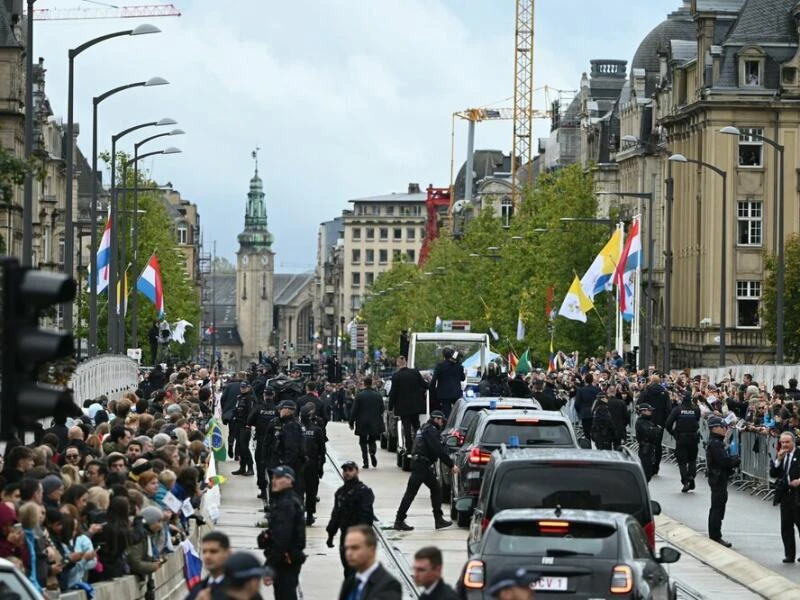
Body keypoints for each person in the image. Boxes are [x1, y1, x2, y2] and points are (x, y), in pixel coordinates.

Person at [394, 411, 457, 531]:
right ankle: (399, 520)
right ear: (436, 419)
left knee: (435, 489)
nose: (442, 423)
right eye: (441, 420)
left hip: (420, 463)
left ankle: (438, 519)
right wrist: (451, 464)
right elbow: (438, 449)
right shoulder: (431, 430)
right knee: (412, 493)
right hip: (421, 464)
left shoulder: (424, 428)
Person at [326, 461, 375, 578]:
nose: (347, 473)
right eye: (345, 470)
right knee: (348, 570)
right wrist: (331, 534)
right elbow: (336, 515)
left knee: (356, 572)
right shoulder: (340, 493)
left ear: (356, 471)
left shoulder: (364, 492)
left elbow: (366, 516)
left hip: (359, 536)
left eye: (350, 470)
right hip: (345, 536)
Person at [262, 466, 305, 600]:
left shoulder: (286, 504)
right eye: (274, 477)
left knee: (285, 594)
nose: (274, 481)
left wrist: (269, 565)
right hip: (284, 560)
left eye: (278, 478)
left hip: (285, 560)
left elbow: (282, 538)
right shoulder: (283, 500)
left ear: (289, 480)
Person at [337, 525, 401, 600]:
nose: (349, 553)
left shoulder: (389, 585)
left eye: (355, 548)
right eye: (347, 548)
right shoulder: (350, 582)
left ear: (372, 550)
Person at [706, 416, 740, 547]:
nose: (725, 429)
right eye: (723, 427)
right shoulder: (715, 443)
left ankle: (715, 533)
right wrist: (734, 461)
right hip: (718, 477)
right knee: (717, 506)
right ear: (715, 428)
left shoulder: (717, 442)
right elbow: (723, 462)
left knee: (719, 505)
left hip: (719, 477)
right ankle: (715, 535)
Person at [388, 356, 428, 460]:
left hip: (403, 407)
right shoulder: (415, 373)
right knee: (417, 426)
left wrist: (390, 406)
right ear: (406, 362)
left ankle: (409, 449)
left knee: (406, 428)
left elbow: (393, 393)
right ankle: (419, 446)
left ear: (398, 363)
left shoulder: (396, 376)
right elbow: (424, 385)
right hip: (416, 406)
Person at [267, 401, 306, 503]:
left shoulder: (291, 426)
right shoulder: (294, 424)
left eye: (282, 409)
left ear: (288, 411)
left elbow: (291, 448)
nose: (280, 411)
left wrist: (285, 466)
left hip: (289, 465)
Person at [770, 432, 800, 562]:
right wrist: (778, 460)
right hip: (785, 494)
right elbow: (773, 473)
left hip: (798, 494)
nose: (785, 445)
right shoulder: (782, 455)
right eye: (782, 442)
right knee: (786, 525)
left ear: (793, 442)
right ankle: (789, 554)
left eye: (787, 442)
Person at [665, 393, 701, 493]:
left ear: (682, 399)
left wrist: (673, 433)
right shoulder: (696, 409)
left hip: (681, 438)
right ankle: (691, 476)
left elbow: (668, 423)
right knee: (692, 459)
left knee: (682, 462)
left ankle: (685, 482)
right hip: (693, 437)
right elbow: (697, 419)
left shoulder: (677, 409)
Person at [637, 375, 671, 475]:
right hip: (660, 422)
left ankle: (647, 464)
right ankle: (656, 466)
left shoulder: (646, 392)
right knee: (658, 445)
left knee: (645, 442)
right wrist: (665, 422)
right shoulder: (665, 393)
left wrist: (640, 417)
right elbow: (668, 408)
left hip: (646, 422)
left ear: (650, 381)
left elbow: (639, 404)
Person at [249, 387, 278, 501]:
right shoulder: (277, 409)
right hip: (274, 442)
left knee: (260, 465)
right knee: (273, 466)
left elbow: (250, 420)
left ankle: (262, 489)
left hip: (261, 440)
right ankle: (273, 489)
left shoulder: (258, 408)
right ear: (273, 395)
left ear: (264, 396)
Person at [350, 377, 385, 469]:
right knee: (372, 440)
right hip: (374, 421)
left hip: (362, 421)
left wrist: (351, 422)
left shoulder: (359, 395)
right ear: (372, 383)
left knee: (363, 441)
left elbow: (354, 410)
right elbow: (382, 409)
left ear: (364, 384)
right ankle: (372, 452)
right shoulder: (377, 395)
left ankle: (365, 461)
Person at [299, 403, 325, 526]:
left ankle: (306, 514)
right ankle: (308, 514)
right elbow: (322, 450)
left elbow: (321, 450)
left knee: (302, 490)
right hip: (310, 465)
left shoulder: (296, 427)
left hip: (302, 465)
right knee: (311, 491)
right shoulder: (316, 430)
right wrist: (321, 466)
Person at [429, 348, 465, 418]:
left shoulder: (440, 366)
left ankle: (447, 425)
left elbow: (434, 380)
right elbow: (462, 378)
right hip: (456, 393)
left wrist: (432, 391)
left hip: (444, 394)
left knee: (446, 413)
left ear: (443, 356)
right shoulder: (459, 366)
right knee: (457, 413)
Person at [231, 381, 256, 476]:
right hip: (238, 423)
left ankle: (250, 467)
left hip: (245, 425)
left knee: (245, 447)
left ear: (248, 387)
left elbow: (251, 413)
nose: (242, 389)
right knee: (240, 448)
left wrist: (249, 424)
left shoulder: (250, 398)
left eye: (244, 387)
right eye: (241, 387)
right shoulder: (240, 397)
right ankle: (242, 467)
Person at [635, 403, 660, 482]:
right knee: (646, 472)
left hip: (650, 449)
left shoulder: (647, 421)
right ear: (643, 411)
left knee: (649, 472)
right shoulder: (641, 422)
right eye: (649, 410)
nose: (651, 412)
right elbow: (648, 433)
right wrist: (656, 430)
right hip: (645, 449)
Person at [574, 374, 599, 441]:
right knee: (596, 433)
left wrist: (580, 412)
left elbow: (577, 404)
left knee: (587, 434)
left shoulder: (581, 390)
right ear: (592, 380)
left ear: (585, 380)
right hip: (595, 414)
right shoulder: (597, 389)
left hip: (585, 414)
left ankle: (588, 447)